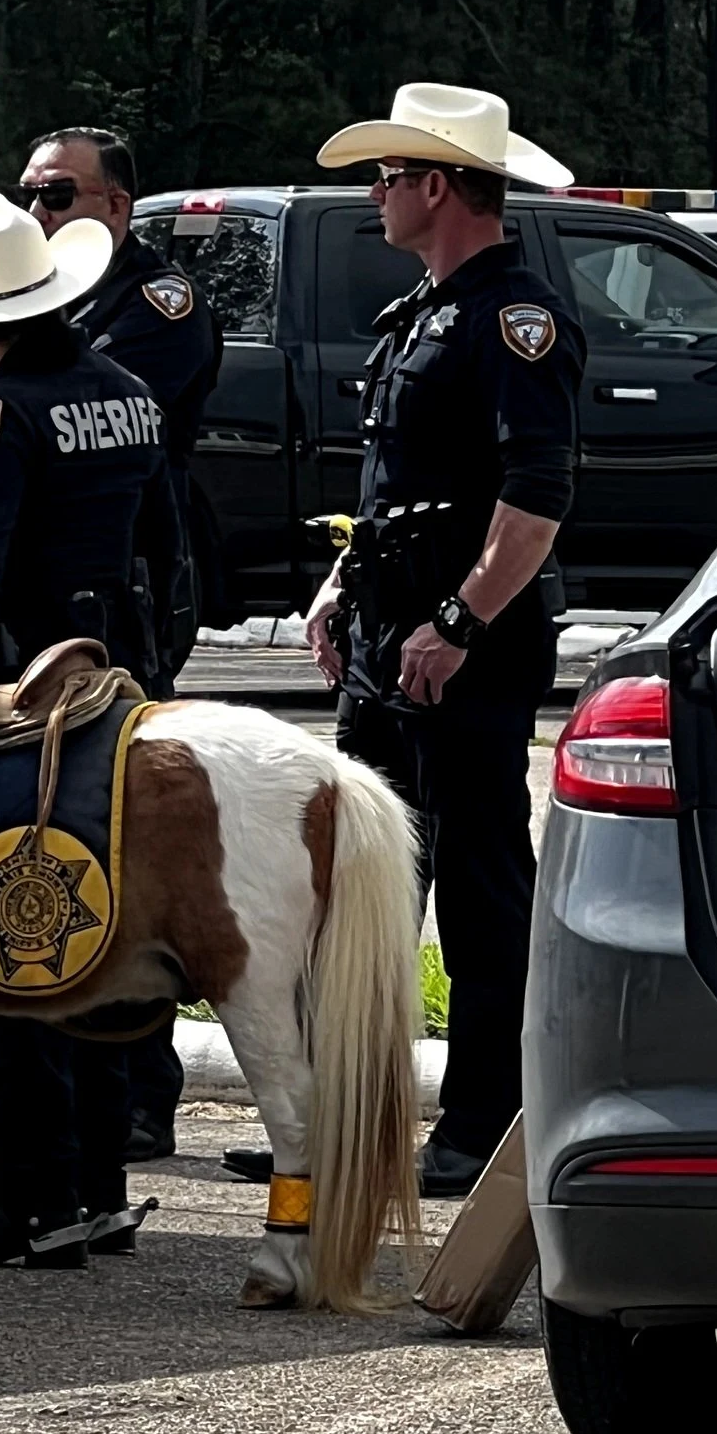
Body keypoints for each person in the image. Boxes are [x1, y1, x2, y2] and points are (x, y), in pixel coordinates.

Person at [226, 84, 586, 1199]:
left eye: (386, 177)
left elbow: (535, 500)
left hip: (461, 645)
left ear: (437, 186)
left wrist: (461, 622)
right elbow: (399, 492)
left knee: (478, 890)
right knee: (365, 889)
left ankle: (482, 1125)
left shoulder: (513, 321)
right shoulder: (422, 314)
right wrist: (343, 583)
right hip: (395, 632)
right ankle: (345, 1121)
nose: (374, 196)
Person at [0, 125, 218, 1162]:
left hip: (19, 693)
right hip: (114, 667)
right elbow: (163, 533)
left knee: (16, 908)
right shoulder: (119, 396)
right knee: (109, 896)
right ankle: (95, 1159)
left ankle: (35, 1180)